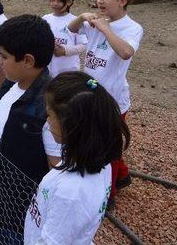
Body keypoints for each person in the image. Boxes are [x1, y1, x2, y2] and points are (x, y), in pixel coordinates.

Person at [24, 72, 130, 244]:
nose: (47, 121)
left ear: (72, 125)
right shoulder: (99, 163)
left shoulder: (71, 194)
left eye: (50, 115)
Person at [0, 15, 61, 243]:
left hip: (21, 216)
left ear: (27, 60)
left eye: (4, 57)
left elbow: (56, 172)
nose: (0, 62)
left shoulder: (48, 109)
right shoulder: (9, 85)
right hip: (0, 203)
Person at [68, 0, 143, 202]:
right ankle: (122, 176)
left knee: (108, 148)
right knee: (97, 140)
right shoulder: (96, 20)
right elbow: (70, 29)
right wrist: (81, 17)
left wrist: (105, 29)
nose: (100, 1)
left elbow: (126, 52)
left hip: (113, 100)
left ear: (122, 1)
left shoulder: (132, 27)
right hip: (90, 92)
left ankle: (107, 196)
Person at [42, 0, 87, 77]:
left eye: (59, 1)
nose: (55, 3)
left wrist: (65, 51)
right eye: (53, 0)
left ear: (69, 2)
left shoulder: (75, 21)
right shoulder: (45, 19)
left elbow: (83, 46)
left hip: (68, 72)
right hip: (48, 71)